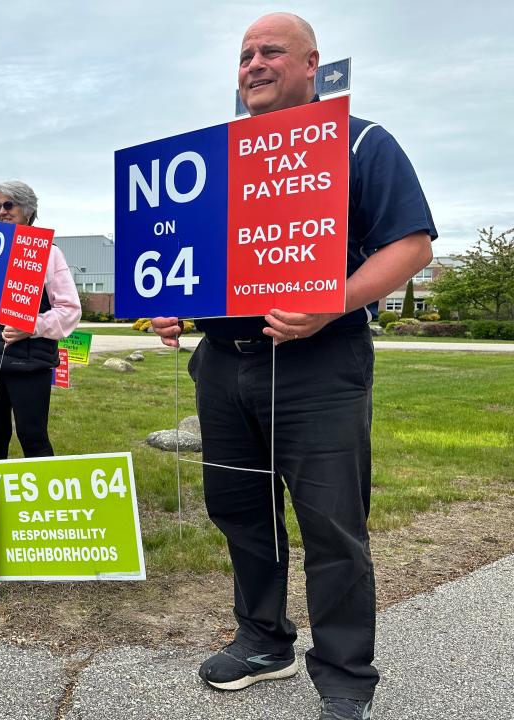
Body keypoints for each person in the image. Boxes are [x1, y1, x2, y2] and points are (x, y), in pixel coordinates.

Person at [152, 13, 436, 720]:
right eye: (244, 54)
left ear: (313, 65)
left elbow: (411, 246)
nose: (253, 63)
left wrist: (329, 304)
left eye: (270, 51)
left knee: (332, 525)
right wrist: (174, 304)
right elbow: (202, 258)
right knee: (242, 513)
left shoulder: (361, 141)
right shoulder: (215, 158)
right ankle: (263, 640)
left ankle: (344, 678)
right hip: (222, 365)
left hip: (318, 364)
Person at [0, 180, 81, 461]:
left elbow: (70, 310)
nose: (1, 212)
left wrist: (30, 327)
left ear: (27, 209)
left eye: (8, 205)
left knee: (33, 439)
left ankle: (43, 504)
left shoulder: (49, 253)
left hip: (29, 364)